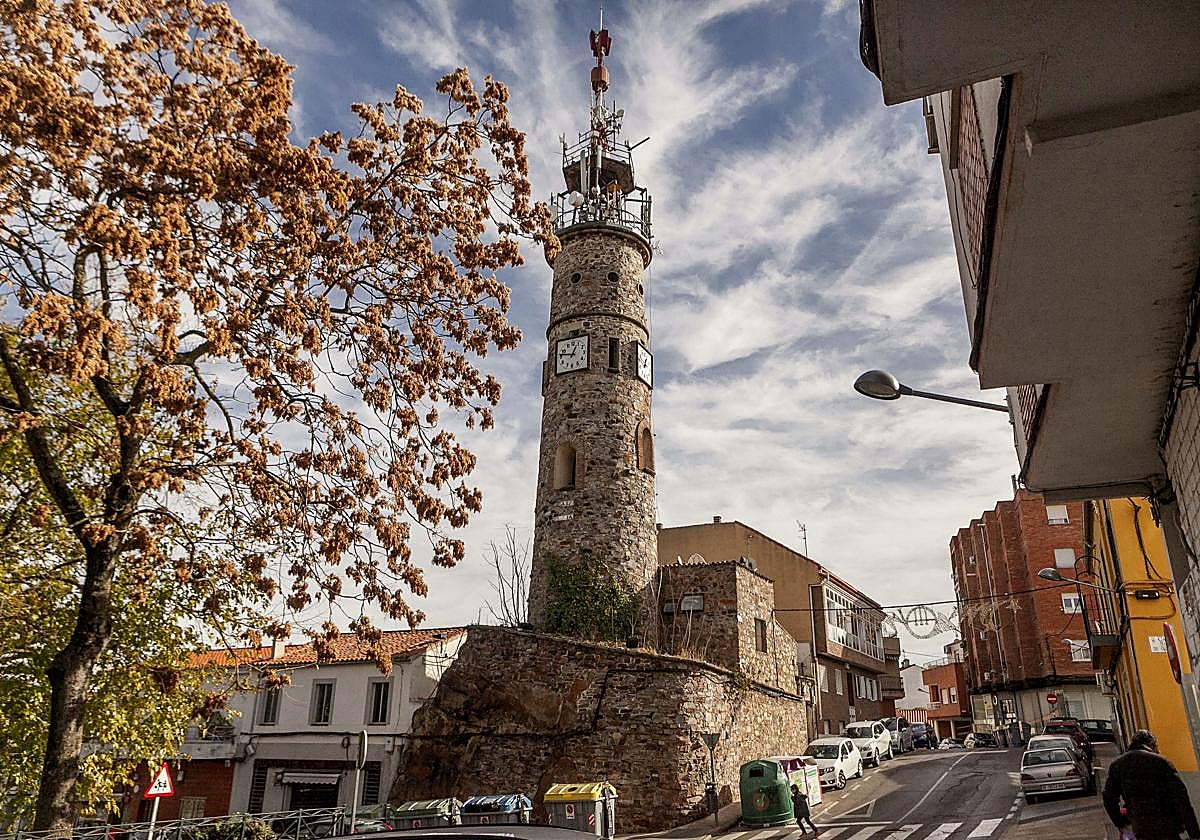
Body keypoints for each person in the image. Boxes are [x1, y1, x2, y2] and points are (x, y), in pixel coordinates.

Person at [1103, 729, 1200, 840]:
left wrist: (1120, 821)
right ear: (1151, 744)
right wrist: (1194, 833)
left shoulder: (1117, 765)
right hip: (1167, 824)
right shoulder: (1162, 762)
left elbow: (1108, 797)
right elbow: (1182, 800)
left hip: (1139, 825)